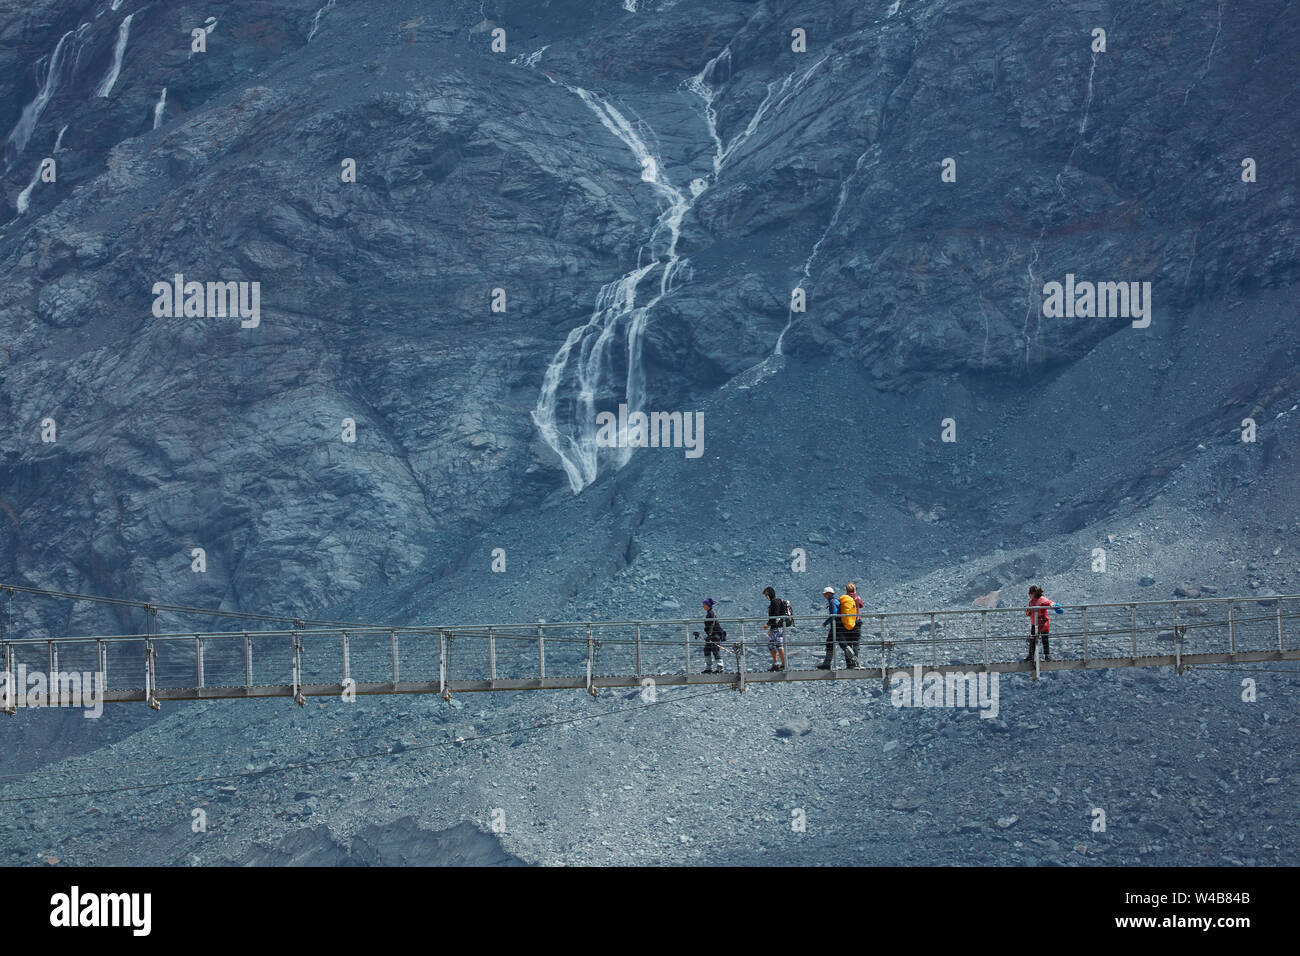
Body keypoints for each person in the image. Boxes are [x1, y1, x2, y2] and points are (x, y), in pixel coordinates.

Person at [818, 585, 860, 669]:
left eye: (825, 594)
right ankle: (828, 664)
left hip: (836, 626)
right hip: (839, 626)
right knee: (838, 644)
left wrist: (826, 623)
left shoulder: (832, 602)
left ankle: (853, 660)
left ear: (828, 594)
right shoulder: (836, 601)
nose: (824, 596)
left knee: (836, 644)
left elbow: (834, 614)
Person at [1025, 585, 1055, 662]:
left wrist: (1053, 605)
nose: (1029, 595)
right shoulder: (1031, 602)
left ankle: (1047, 656)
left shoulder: (1042, 600)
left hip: (1043, 623)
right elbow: (1029, 612)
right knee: (1033, 640)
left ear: (1033, 593)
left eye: (1030, 593)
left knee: (1044, 639)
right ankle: (1031, 656)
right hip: (1034, 623)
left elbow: (1050, 602)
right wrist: (1027, 612)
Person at [762, 586, 787, 672]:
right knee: (771, 645)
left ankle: (784, 664)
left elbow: (775, 616)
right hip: (776, 627)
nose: (766, 597)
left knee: (779, 646)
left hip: (777, 628)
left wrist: (768, 624)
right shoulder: (776, 601)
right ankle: (777, 664)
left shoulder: (774, 602)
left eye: (766, 594)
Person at [698, 598, 725, 673]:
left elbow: (712, 624)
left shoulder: (711, 613)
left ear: (707, 605)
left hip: (714, 635)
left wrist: (709, 635)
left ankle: (720, 667)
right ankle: (709, 668)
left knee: (715, 650)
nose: (703, 606)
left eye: (704, 605)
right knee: (707, 649)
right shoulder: (710, 613)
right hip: (713, 635)